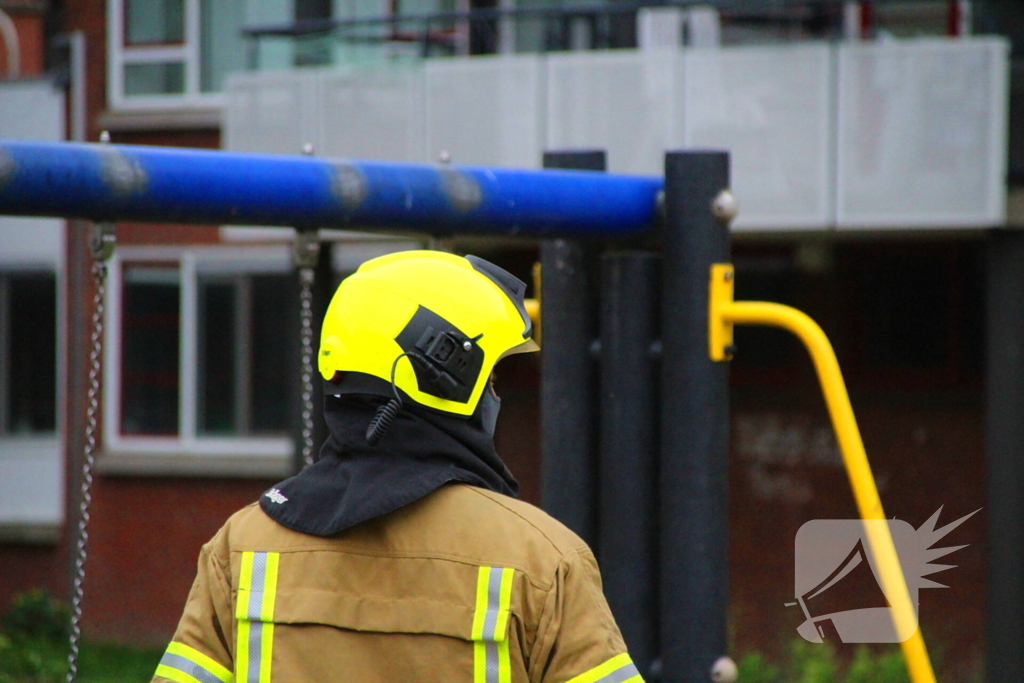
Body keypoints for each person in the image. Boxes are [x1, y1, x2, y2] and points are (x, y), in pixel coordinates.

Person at [152, 250, 641, 683]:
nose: (496, 395)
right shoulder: (542, 561)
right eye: (489, 378)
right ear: (447, 377)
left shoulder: (242, 547)